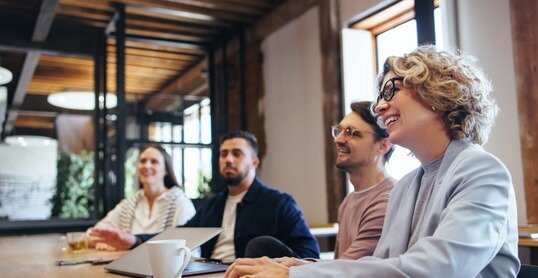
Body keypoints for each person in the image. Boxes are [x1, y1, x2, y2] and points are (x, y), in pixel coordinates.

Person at [224, 45, 520, 277]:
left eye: (392, 90)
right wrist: (300, 267)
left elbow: (440, 269)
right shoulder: (406, 185)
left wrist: (298, 274)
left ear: (437, 94)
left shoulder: (481, 170)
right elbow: (382, 266)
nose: (379, 106)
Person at [90, 131, 320, 261]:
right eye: (224, 154)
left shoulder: (279, 202)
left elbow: (310, 255)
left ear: (254, 162)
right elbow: (179, 235)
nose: (228, 159)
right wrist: (135, 240)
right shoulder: (213, 205)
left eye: (236, 154)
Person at [86, 144, 196, 251]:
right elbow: (90, 235)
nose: (147, 166)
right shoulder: (129, 204)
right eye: (142, 161)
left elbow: (191, 247)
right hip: (127, 266)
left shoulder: (180, 203)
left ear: (166, 170)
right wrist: (106, 241)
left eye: (154, 162)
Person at [331, 101, 395, 259]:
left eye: (351, 132)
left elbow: (348, 269)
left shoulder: (387, 201)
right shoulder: (348, 201)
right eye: (339, 131)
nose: (338, 139)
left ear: (383, 146)